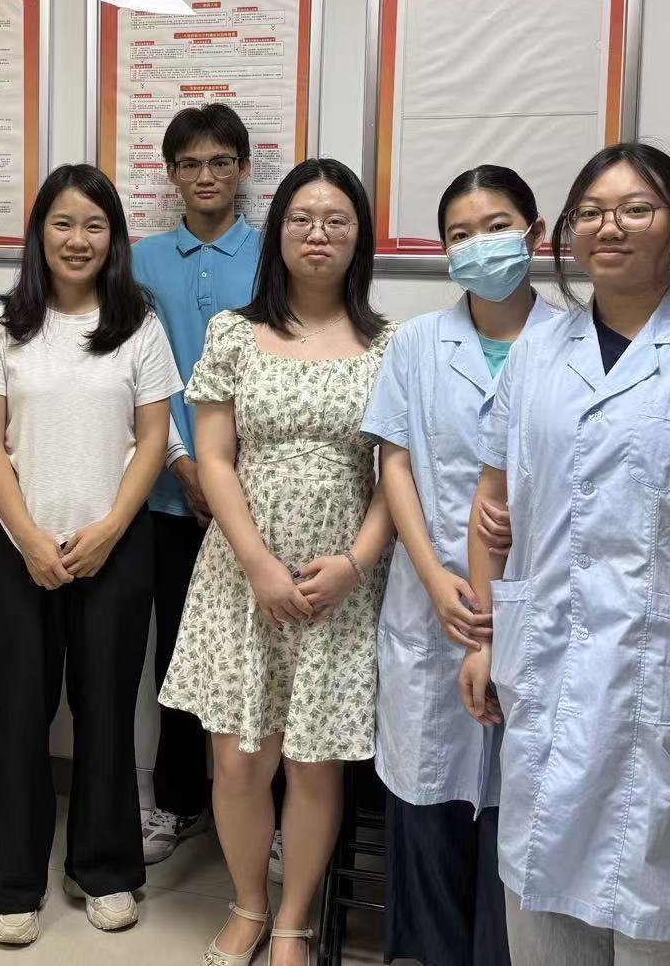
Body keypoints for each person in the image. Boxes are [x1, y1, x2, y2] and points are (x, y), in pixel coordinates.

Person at [458, 143, 670, 965]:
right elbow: (490, 501)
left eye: (634, 208)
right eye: (589, 212)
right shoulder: (536, 352)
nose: (608, 226)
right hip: (544, 667)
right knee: (541, 910)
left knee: (658, 918)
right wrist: (484, 638)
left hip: (664, 681)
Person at [160, 158, 397, 966]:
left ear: (359, 235)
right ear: (279, 233)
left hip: (341, 584)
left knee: (314, 761)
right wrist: (258, 562)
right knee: (239, 759)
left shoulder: (388, 344)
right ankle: (248, 902)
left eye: (336, 219)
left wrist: (355, 563)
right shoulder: (234, 332)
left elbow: (396, 476)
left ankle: (294, 917)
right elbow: (214, 458)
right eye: (301, 218)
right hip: (240, 574)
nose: (318, 233)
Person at [0, 163, 183, 948]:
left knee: (108, 711)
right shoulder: (2, 325)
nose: (78, 238)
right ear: (39, 233)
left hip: (114, 548)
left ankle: (106, 867)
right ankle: (15, 882)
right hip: (19, 548)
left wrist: (111, 527)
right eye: (63, 222)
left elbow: (153, 437)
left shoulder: (138, 323)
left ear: (113, 237)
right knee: (20, 715)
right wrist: (26, 534)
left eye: (94, 224)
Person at [362, 166, 557, 966]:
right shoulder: (414, 343)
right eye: (460, 234)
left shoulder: (574, 343)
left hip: (535, 607)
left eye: (497, 226)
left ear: (535, 234)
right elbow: (394, 463)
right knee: (429, 803)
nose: (480, 245)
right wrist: (433, 572)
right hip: (430, 602)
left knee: (522, 817)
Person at [129, 102, 264, 865]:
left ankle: (268, 813)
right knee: (179, 656)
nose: (206, 176)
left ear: (243, 169)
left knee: (267, 652)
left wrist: (238, 472)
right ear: (171, 174)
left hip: (262, 492)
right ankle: (177, 801)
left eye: (219, 161)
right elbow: (136, 375)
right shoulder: (142, 261)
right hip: (169, 490)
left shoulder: (275, 251)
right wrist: (184, 464)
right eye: (190, 163)